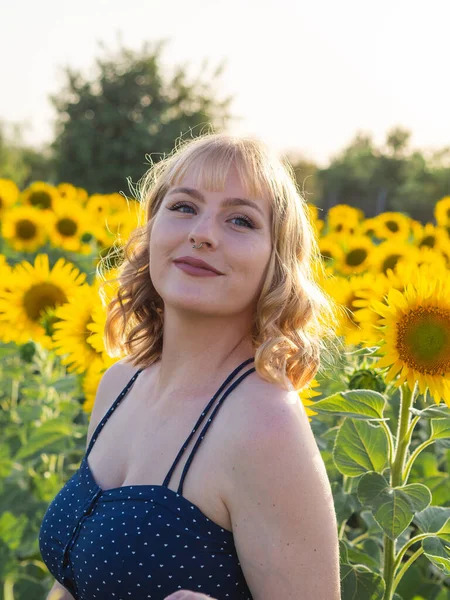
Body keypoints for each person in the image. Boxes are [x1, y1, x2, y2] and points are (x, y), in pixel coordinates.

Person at [39, 131, 342, 600]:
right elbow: (75, 579)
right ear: (152, 229)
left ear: (275, 262)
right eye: (183, 207)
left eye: (240, 220)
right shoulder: (121, 383)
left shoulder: (265, 424)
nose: (202, 233)